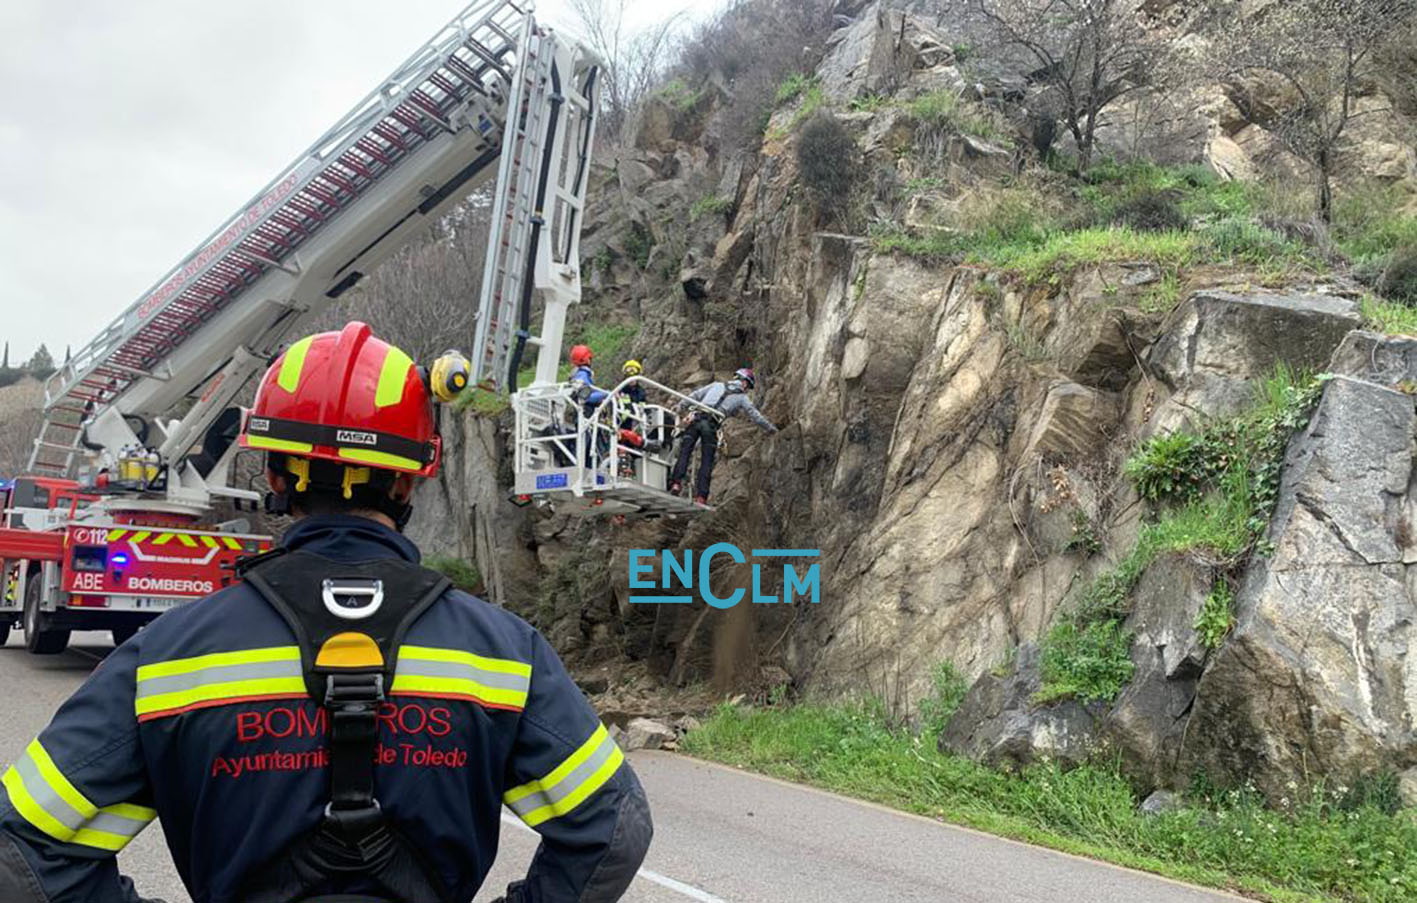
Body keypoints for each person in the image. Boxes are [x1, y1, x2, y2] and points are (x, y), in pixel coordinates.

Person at [0, 322, 652, 903]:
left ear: (275, 474)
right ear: (409, 479)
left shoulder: (167, 656)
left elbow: (22, 841)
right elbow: (613, 823)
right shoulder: (504, 653)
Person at [669, 367, 778, 505]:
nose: (747, 390)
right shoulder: (742, 398)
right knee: (707, 461)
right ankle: (701, 497)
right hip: (711, 426)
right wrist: (771, 429)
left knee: (685, 452)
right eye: (748, 386)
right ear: (744, 382)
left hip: (696, 419)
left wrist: (680, 406)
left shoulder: (716, 385)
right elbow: (755, 415)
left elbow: (695, 395)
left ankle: (676, 484)